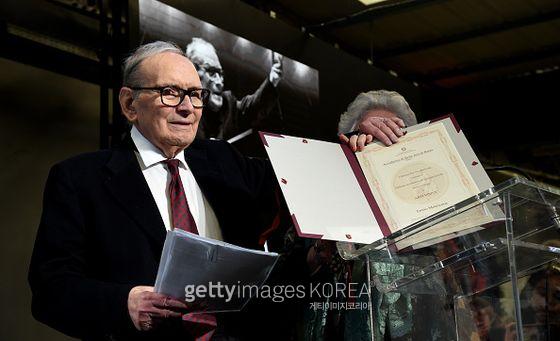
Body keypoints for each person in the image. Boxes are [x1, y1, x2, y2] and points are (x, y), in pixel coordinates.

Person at [28, 41, 290, 341]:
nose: (187, 107)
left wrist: (354, 149)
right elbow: (50, 290)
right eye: (170, 92)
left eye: (195, 94)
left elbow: (297, 182)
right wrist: (123, 304)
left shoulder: (225, 161)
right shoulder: (79, 179)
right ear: (129, 105)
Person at [185, 37, 283, 141]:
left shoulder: (228, 103)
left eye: (220, 73)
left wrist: (274, 78)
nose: (219, 82)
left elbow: (252, 108)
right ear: (193, 73)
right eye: (212, 72)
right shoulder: (182, 107)